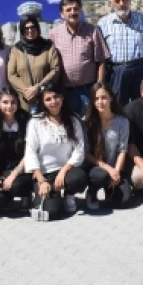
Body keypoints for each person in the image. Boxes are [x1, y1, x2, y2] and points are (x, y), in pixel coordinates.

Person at [25, 85, 90, 220]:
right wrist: (41, 181)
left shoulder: (73, 120)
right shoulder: (35, 122)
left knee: (79, 178)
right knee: (53, 212)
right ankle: (44, 194)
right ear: (43, 102)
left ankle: (69, 195)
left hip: (66, 171)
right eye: (48, 99)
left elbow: (79, 150)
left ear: (62, 97)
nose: (53, 102)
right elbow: (30, 153)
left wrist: (63, 171)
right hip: (44, 174)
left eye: (56, 97)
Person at [49, 0, 110, 116]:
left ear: (81, 11)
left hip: (87, 90)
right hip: (65, 91)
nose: (73, 12)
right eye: (68, 10)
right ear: (62, 14)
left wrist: (99, 85)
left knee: (89, 124)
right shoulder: (54, 34)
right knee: (69, 125)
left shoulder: (92, 30)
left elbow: (101, 59)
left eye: (76, 9)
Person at [98, 0, 143, 105]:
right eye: (117, 0)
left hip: (140, 69)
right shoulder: (103, 24)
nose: (121, 3)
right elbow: (100, 54)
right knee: (118, 107)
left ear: (130, 0)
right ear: (111, 3)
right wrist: (101, 81)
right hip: (116, 71)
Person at [82, 83, 131, 209]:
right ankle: (92, 192)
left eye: (104, 97)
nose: (100, 102)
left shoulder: (122, 121)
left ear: (111, 98)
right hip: (96, 169)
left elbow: (122, 149)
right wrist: (108, 169)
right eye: (96, 99)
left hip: (115, 167)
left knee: (124, 201)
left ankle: (109, 189)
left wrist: (116, 172)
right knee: (101, 175)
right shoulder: (86, 122)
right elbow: (86, 154)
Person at [7, 16, 62, 113]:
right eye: (26, 28)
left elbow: (55, 69)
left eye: (33, 27)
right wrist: (27, 91)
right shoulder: (16, 50)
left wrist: (38, 88)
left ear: (38, 28)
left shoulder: (48, 47)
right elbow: (11, 74)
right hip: (25, 100)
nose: (30, 30)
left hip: (46, 99)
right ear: (22, 31)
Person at [0, 89, 33, 210]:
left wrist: (13, 176)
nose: (9, 106)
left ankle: (26, 194)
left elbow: (29, 154)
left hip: (24, 167)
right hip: (4, 167)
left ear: (18, 104)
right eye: (5, 102)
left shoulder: (27, 121)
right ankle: (8, 196)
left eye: (13, 102)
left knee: (16, 186)